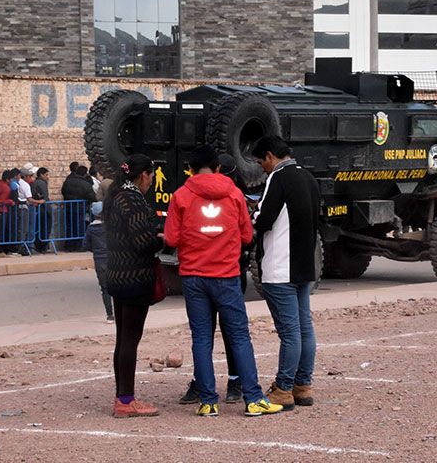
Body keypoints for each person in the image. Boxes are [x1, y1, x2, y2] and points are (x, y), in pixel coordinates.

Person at [166, 146, 282, 417]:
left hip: (194, 277)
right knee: (239, 336)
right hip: (227, 276)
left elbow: (171, 239)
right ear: (218, 168)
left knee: (202, 339)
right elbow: (246, 236)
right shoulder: (233, 194)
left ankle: (208, 401)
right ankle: (253, 398)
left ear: (191, 170)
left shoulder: (181, 196)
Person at [252, 136, 320, 411]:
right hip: (304, 266)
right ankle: (303, 385)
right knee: (305, 328)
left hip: (280, 268)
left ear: (270, 156)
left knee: (289, 332)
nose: (262, 168)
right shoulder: (309, 178)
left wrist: (251, 213)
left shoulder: (278, 179)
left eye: (261, 162)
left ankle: (283, 388)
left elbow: (263, 219)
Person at [104, 154, 164, 418]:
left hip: (117, 275)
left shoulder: (115, 196)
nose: (151, 182)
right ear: (144, 175)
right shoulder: (133, 199)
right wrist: (162, 239)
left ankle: (122, 395)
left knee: (122, 340)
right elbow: (143, 242)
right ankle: (126, 400)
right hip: (134, 278)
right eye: (151, 176)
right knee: (130, 340)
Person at [82, 200, 114, 322]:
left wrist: (96, 250)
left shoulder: (91, 229)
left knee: (105, 288)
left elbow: (85, 245)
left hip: (99, 260)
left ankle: (109, 315)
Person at [62, 164, 97, 251]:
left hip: (68, 208)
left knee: (69, 227)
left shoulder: (67, 181)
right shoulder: (85, 184)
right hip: (80, 209)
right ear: (85, 174)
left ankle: (69, 246)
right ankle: (79, 245)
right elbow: (92, 197)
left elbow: (63, 192)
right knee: (80, 227)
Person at [32, 167, 51, 253]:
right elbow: (45, 198)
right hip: (44, 210)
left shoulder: (36, 182)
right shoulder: (41, 183)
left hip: (40, 209)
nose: (48, 177)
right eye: (46, 175)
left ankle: (41, 246)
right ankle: (43, 247)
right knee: (44, 228)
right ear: (41, 175)